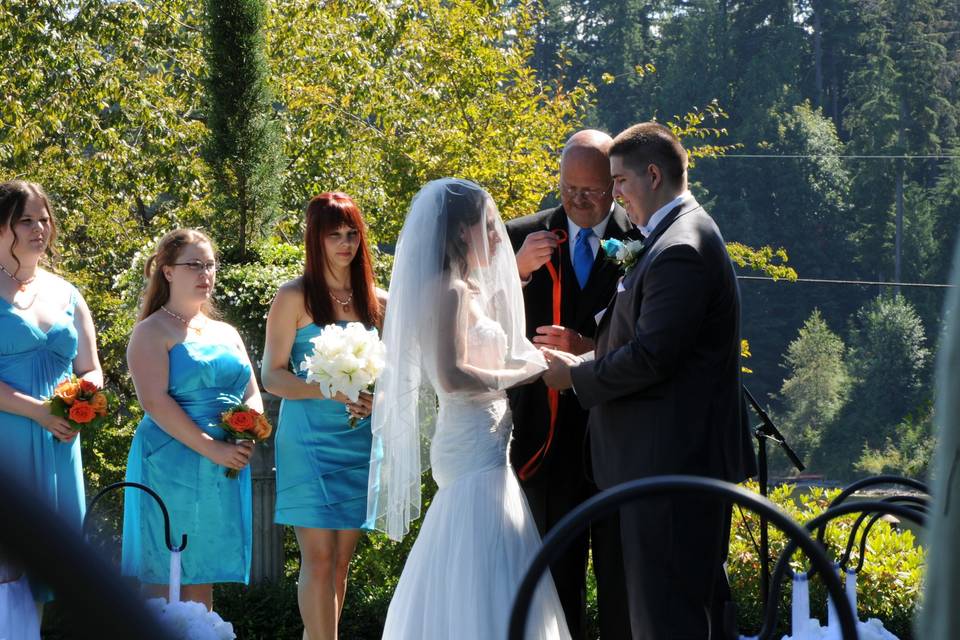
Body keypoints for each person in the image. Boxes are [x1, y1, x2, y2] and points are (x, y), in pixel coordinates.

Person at [543, 122, 757, 639]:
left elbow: (653, 356)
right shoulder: (671, 235)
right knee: (680, 610)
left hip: (669, 466)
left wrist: (578, 375)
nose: (614, 194)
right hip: (665, 464)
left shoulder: (679, 247)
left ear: (653, 175)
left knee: (667, 619)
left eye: (618, 181)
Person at [366, 179, 570, 640]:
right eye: (489, 229)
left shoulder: (467, 289)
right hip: (469, 439)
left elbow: (489, 359)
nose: (498, 238)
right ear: (461, 232)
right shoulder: (450, 290)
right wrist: (523, 374)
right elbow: (453, 376)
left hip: (489, 444)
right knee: (476, 549)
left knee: (488, 552)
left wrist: (547, 361)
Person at [506, 129, 633, 639]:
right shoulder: (520, 236)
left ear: (615, 187)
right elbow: (474, 322)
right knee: (555, 595)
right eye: (568, 188)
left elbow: (650, 341)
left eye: (592, 191)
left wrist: (585, 347)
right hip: (544, 440)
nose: (579, 200)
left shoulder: (642, 240)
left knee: (621, 586)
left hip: (616, 439)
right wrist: (514, 274)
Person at [262, 192, 385, 640]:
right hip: (309, 440)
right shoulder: (293, 296)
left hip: (360, 440)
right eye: (335, 234)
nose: (346, 243)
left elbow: (399, 377)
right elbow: (272, 375)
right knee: (316, 558)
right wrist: (328, 389)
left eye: (352, 233)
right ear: (316, 238)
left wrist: (376, 398)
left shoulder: (379, 301)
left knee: (341, 562)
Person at [122, 228, 262, 610]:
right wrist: (212, 448)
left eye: (211, 265)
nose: (206, 273)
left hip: (223, 462)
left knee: (202, 571)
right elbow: (155, 402)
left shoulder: (226, 332)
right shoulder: (151, 331)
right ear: (167, 271)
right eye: (194, 265)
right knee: (164, 571)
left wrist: (250, 428)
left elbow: (251, 392)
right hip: (169, 459)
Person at [0, 180, 103, 620]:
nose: (39, 227)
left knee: (44, 574)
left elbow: (91, 368)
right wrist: (38, 411)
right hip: (9, 441)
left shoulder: (68, 293)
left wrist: (79, 401)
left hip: (59, 442)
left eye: (44, 218)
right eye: (26, 219)